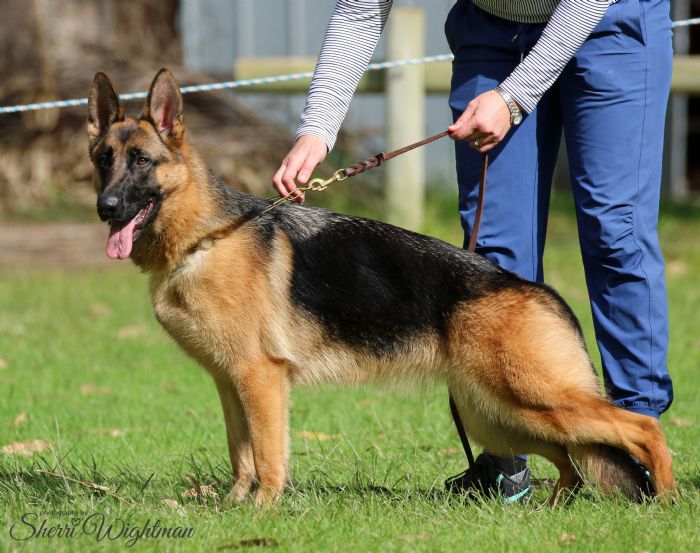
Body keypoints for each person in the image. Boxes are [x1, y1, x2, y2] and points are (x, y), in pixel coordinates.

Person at [272, 0, 674, 502]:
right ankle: (507, 460)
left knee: (615, 232)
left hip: (607, 23)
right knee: (490, 260)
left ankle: (635, 439)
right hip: (492, 32)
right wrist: (317, 129)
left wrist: (515, 96)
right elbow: (361, 9)